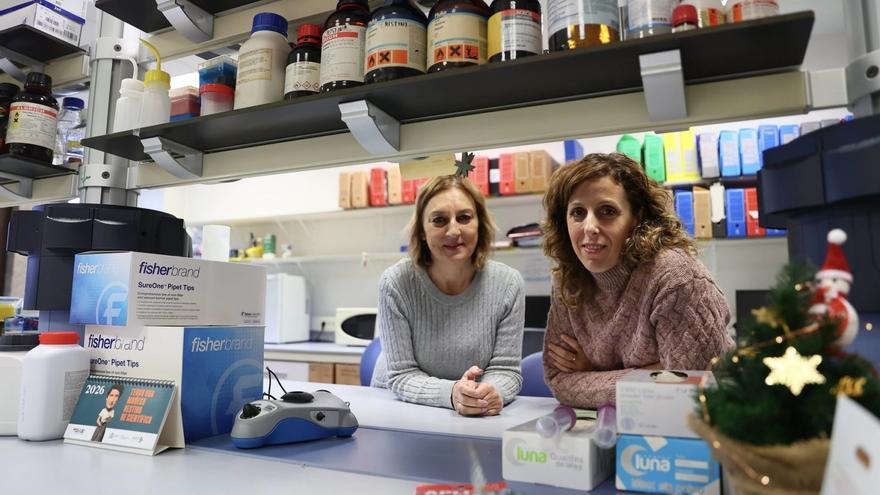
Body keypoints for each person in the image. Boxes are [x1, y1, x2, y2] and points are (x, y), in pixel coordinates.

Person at [541, 153, 734, 409]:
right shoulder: (568, 280)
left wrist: (590, 374)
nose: (589, 227)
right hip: (621, 422)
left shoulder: (675, 277)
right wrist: (652, 371)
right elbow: (558, 380)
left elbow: (687, 392)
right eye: (578, 212)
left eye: (607, 211)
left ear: (637, 218)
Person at [371, 175, 525, 416]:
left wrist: (491, 392)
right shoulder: (395, 283)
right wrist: (452, 393)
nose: (453, 231)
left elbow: (506, 370)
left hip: (471, 410)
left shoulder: (509, 284)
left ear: (479, 224)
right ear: (422, 231)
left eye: (464, 218)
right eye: (439, 220)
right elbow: (402, 375)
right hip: (399, 406)